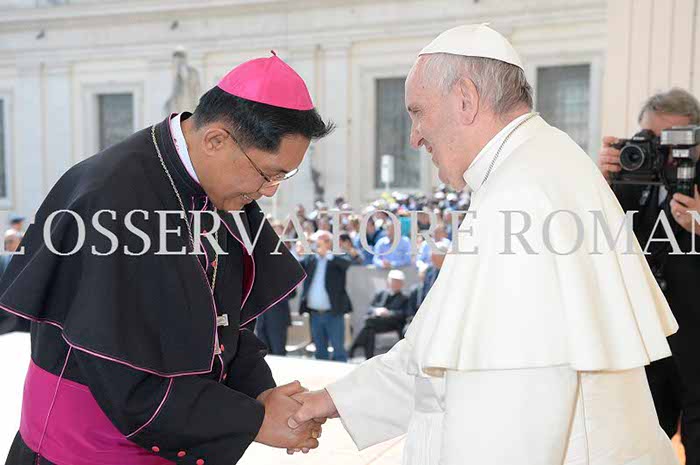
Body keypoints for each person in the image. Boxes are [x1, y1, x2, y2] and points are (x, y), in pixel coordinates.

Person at [286, 24, 680, 465]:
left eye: (418, 111)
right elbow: (436, 362)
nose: (415, 136)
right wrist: (327, 402)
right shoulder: (530, 168)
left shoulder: (523, 193)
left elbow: (511, 423)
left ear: (465, 99)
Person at [0, 52, 334, 465]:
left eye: (284, 176)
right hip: (90, 449)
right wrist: (254, 419)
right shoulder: (111, 200)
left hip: (179, 429)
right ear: (216, 140)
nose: (270, 191)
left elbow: (227, 324)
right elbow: (126, 379)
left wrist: (262, 393)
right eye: (269, 173)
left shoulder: (222, 189)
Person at [598, 88, 700, 464]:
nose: (658, 149)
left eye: (670, 140)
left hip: (695, 335)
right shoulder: (630, 175)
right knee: (640, 439)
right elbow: (596, 239)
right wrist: (600, 181)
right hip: (645, 333)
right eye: (649, 138)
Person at [298, 230, 353, 362]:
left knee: (338, 351)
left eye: (325, 241)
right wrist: (302, 248)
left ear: (330, 243)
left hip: (333, 313)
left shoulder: (337, 256)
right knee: (320, 352)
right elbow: (297, 266)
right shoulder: (311, 259)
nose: (321, 244)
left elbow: (347, 263)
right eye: (319, 241)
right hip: (315, 314)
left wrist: (328, 254)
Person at [255, 222, 295, 356]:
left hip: (277, 314)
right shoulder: (260, 257)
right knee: (262, 354)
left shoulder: (288, 261)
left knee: (279, 352)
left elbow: (292, 292)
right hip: (261, 314)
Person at [349, 269, 409, 359]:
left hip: (393, 323)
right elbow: (370, 308)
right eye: (393, 281)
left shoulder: (405, 298)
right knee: (370, 329)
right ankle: (369, 357)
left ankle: (355, 346)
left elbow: (404, 313)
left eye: (397, 282)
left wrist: (389, 313)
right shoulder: (381, 293)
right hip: (377, 322)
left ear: (402, 284)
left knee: (369, 322)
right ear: (388, 282)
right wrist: (377, 310)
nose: (395, 284)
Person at [0, 229, 30, 335]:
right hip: (5, 305)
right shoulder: (2, 259)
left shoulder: (28, 258)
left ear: (20, 241)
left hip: (22, 306)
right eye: (6, 242)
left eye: (11, 241)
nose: (8, 244)